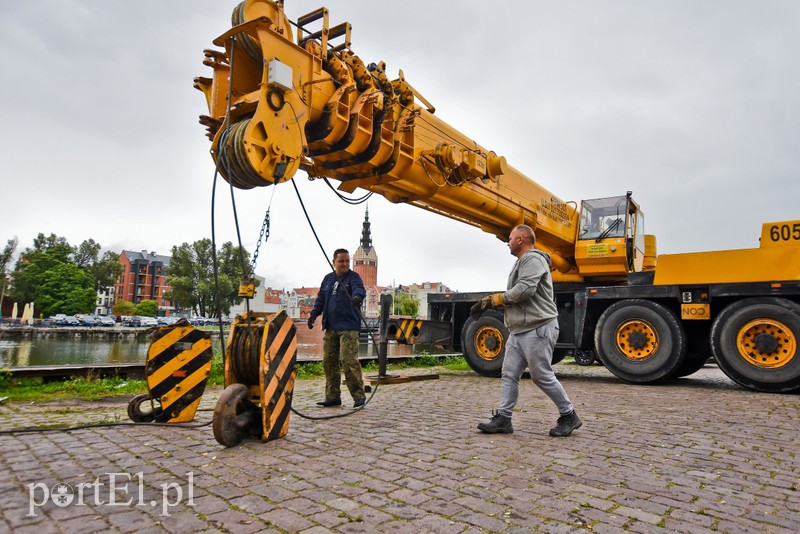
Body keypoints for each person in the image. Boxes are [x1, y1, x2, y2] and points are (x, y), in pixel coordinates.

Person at [471, 224, 582, 437]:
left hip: (537, 327)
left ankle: (569, 415)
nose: (508, 242)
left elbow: (525, 290)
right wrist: (492, 301)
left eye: (511, 238)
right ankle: (503, 418)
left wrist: (495, 299)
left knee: (541, 375)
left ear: (521, 239)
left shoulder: (533, 259)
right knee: (509, 373)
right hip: (520, 329)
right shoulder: (522, 262)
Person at [308, 248, 368, 408]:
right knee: (329, 362)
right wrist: (314, 314)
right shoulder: (328, 279)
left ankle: (358, 396)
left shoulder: (354, 277)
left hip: (348, 326)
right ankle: (333, 396)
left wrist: (357, 297)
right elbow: (321, 299)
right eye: (341, 261)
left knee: (348, 360)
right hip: (331, 326)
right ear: (334, 262)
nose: (345, 264)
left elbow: (359, 289)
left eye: (347, 261)